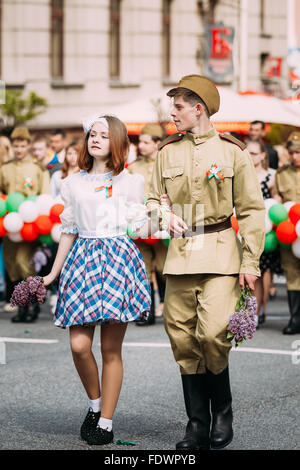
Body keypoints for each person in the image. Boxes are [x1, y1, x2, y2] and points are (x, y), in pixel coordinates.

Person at [146, 74, 265, 450]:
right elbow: (151, 201)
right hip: (180, 255)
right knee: (182, 340)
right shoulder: (166, 152)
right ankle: (196, 423)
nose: (172, 112)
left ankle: (223, 412)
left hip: (220, 253)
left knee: (213, 334)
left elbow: (250, 211)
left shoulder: (233, 151)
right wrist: (163, 217)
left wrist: (250, 263)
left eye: (178, 106)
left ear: (199, 108)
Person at [42, 115, 151, 446]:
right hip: (82, 261)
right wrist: (52, 273)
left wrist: (161, 218)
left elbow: (141, 227)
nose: (96, 139)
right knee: (79, 345)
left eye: (104, 135)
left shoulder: (132, 182)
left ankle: (105, 420)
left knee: (110, 349)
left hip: (119, 259)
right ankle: (94, 403)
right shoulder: (73, 182)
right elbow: (69, 229)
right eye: (93, 134)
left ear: (117, 142)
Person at [0, 127, 50, 322]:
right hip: (10, 226)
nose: (19, 149)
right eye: (16, 146)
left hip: (29, 226)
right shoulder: (5, 169)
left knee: (25, 264)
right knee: (12, 266)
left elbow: (44, 197)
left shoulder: (37, 169)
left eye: (22, 145)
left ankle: (32, 306)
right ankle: (21, 307)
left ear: (28, 146)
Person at [128, 123, 168, 324]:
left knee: (163, 267)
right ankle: (147, 311)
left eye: (145, 142)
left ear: (157, 143)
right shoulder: (134, 167)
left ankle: (168, 307)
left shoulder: (167, 162)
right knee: (142, 268)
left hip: (162, 224)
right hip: (140, 225)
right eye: (140, 142)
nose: (140, 146)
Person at [247, 139, 282, 326]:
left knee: (262, 271)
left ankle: (260, 309)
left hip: (265, 230)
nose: (250, 156)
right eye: (248, 153)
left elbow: (277, 198)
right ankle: (252, 309)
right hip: (245, 228)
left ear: (262, 155)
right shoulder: (243, 174)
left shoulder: (271, 176)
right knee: (249, 271)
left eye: (254, 153)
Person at [273, 131, 300, 334]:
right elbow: (277, 199)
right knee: (291, 273)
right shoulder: (281, 174)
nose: (295, 157)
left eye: (298, 152)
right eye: (292, 152)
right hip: (289, 232)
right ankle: (295, 319)